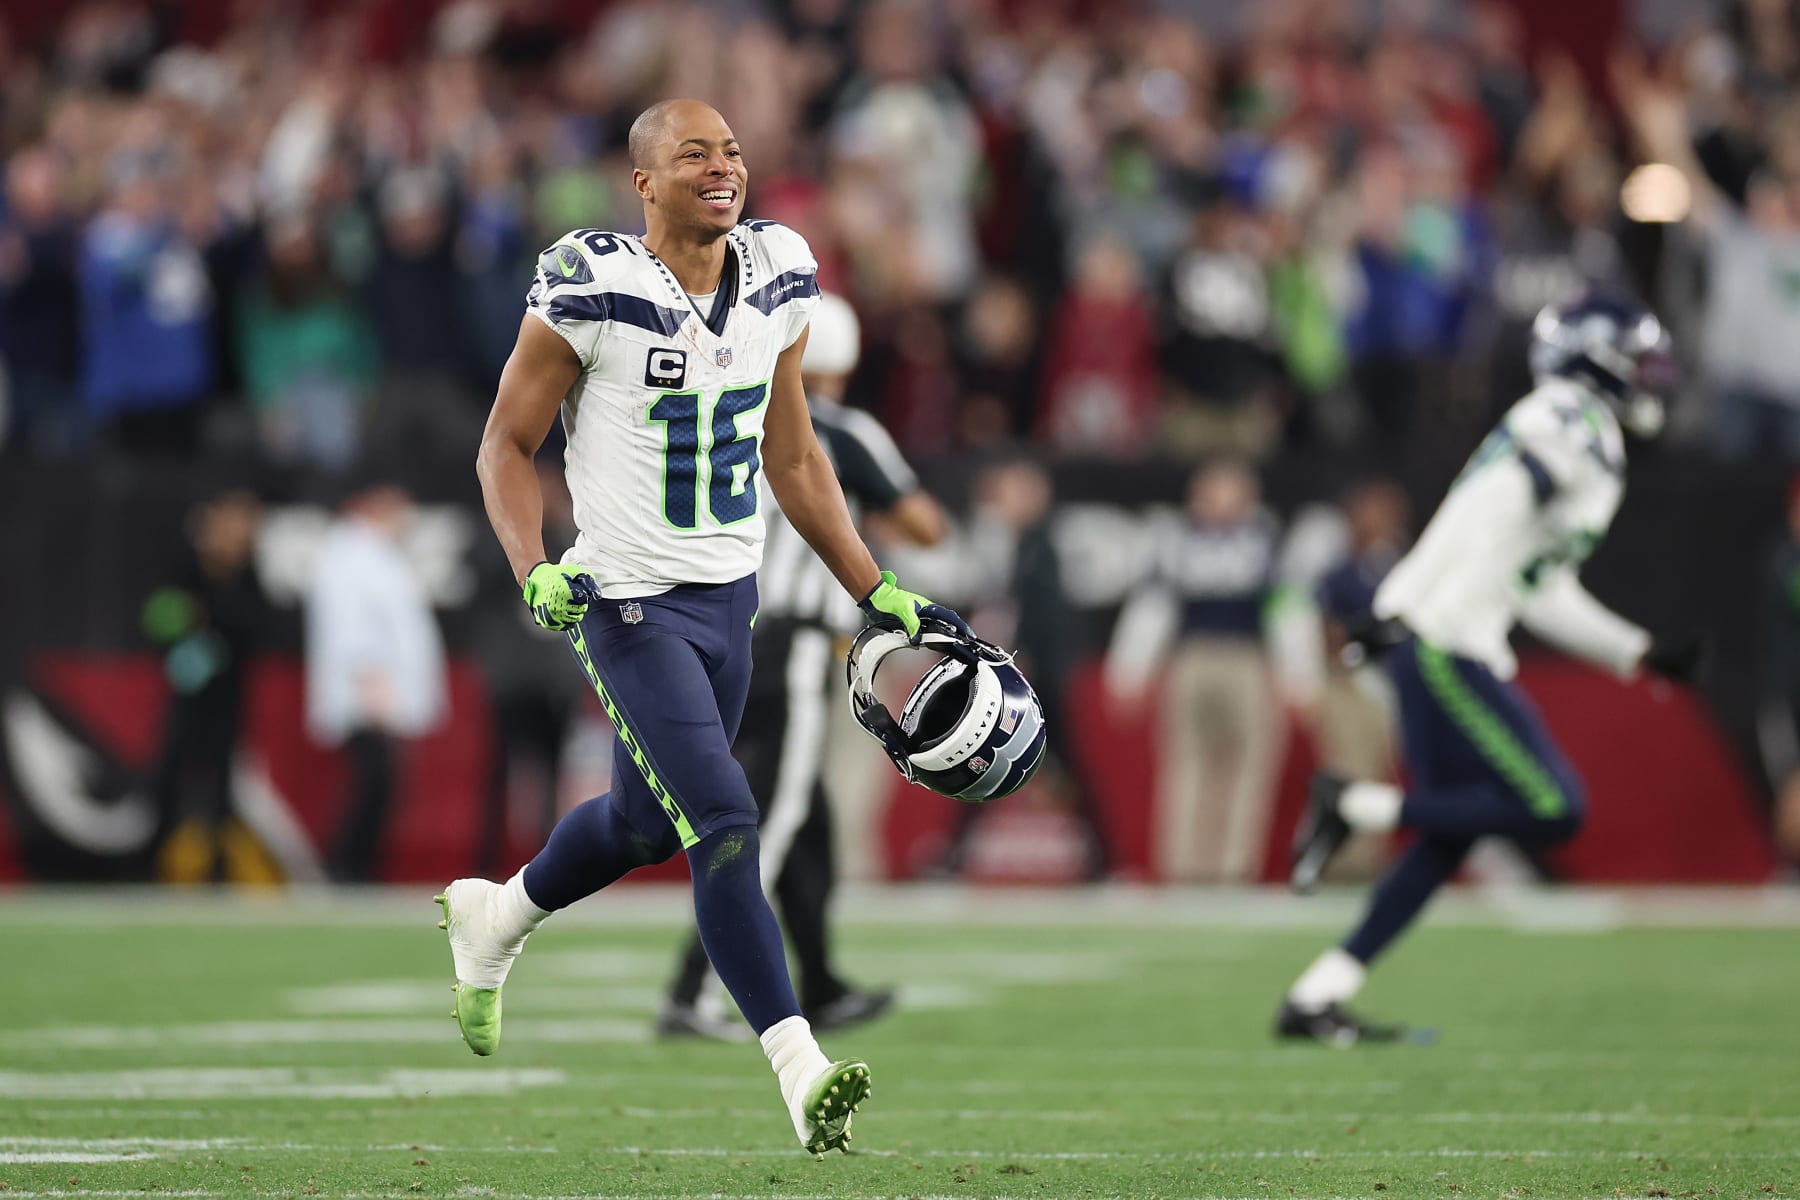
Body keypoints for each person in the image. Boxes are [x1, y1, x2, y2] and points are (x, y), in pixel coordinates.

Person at [439, 99, 964, 1158]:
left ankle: (497, 918)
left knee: (642, 824)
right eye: (694, 155)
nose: (723, 168)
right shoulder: (596, 284)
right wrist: (532, 565)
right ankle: (800, 1069)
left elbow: (796, 456)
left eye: (730, 151)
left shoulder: (778, 271)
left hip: (732, 602)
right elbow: (506, 442)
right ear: (643, 183)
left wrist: (877, 587)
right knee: (725, 819)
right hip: (626, 602)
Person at [1278, 294, 1700, 1044]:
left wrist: (1635, 650)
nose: (1653, 377)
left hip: (1442, 631)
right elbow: (1491, 508)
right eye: (1639, 361)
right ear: (1595, 356)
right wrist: (1409, 605)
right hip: (1445, 639)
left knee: (1449, 833)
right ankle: (1355, 808)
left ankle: (1317, 995)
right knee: (1553, 805)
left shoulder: (1581, 428)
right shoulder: (1569, 416)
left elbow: (1536, 586)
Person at [657, 291, 948, 1041]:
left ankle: (819, 983)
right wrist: (856, 506)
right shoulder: (840, 429)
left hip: (718, 630)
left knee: (805, 821)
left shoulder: (730, 404)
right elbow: (927, 524)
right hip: (791, 643)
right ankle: (690, 992)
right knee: (772, 820)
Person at [304, 478, 448, 883]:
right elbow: (351, 627)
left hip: (376, 693)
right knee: (374, 783)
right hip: (367, 695)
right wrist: (370, 683)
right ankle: (346, 868)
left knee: (379, 785)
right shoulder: (350, 555)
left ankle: (355, 868)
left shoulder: (374, 554)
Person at [144, 487, 271, 883]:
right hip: (188, 698)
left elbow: (256, 629)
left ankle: (218, 869)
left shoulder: (248, 578)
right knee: (171, 777)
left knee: (220, 786)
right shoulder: (185, 571)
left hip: (228, 700)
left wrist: (211, 619)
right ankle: (148, 866)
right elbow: (159, 621)